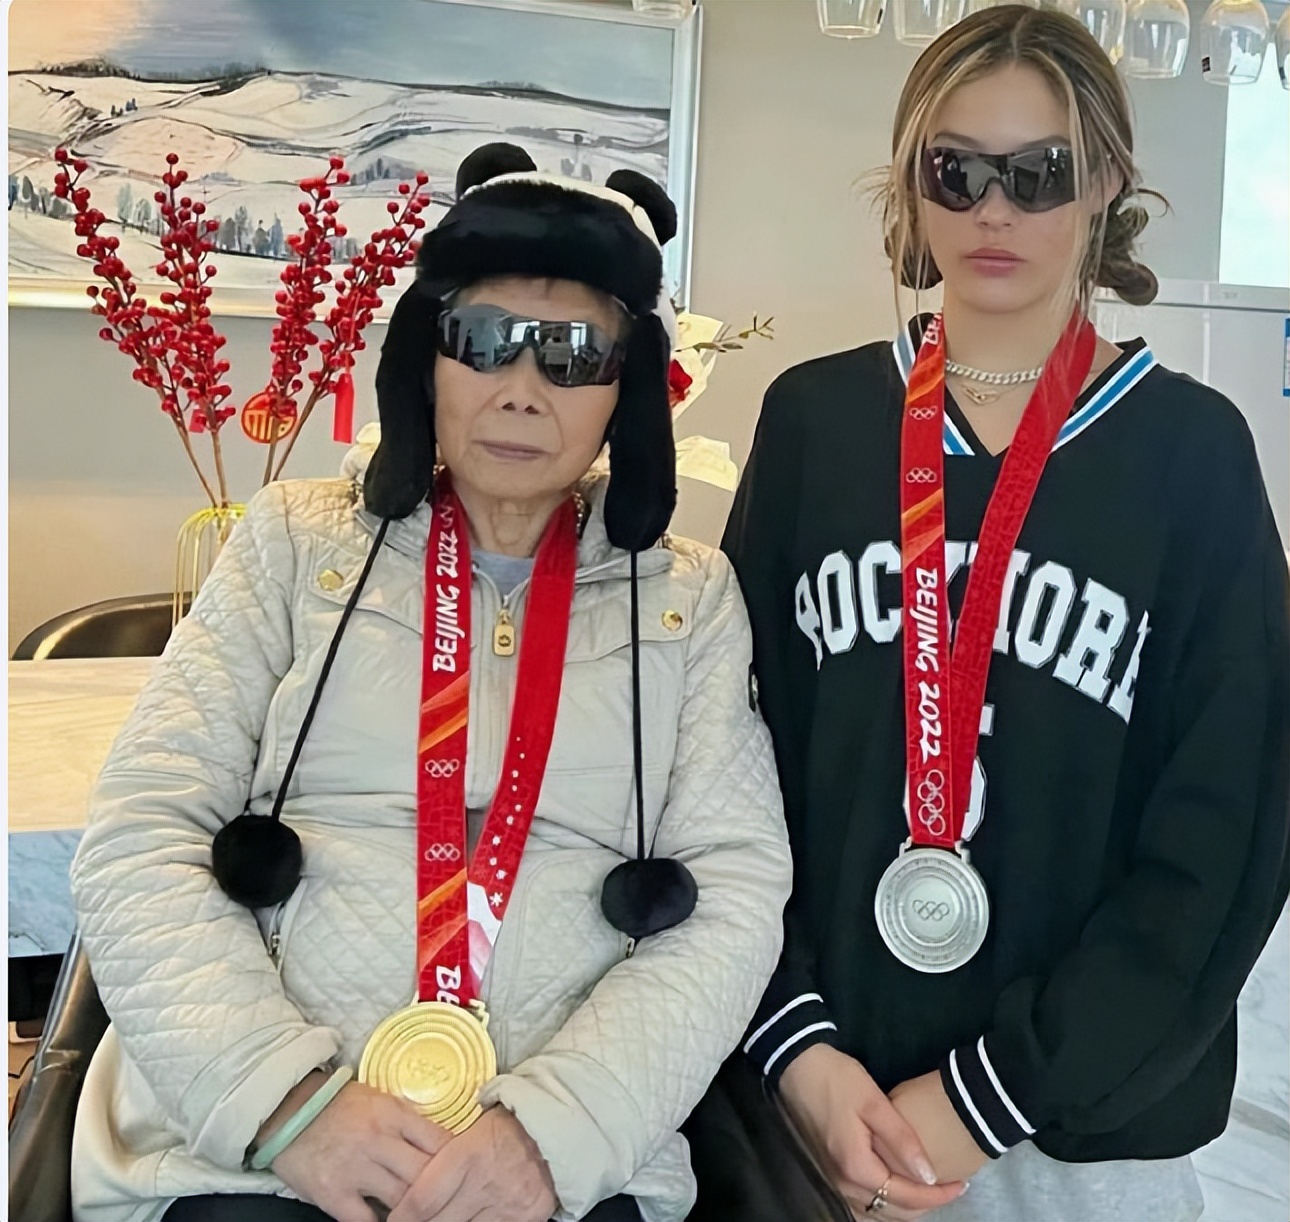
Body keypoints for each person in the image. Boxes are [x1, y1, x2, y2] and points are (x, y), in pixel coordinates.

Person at [69, 143, 792, 1222]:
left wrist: (558, 1134)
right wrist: (284, 1104)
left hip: (560, 1170)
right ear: (428, 360)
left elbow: (729, 899)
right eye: (486, 341)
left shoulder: (691, 598)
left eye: (571, 355)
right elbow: (142, 833)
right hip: (248, 1158)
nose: (522, 391)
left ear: (626, 392)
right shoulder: (291, 544)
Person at [715, 9, 1289, 1222]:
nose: (995, 209)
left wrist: (986, 1098)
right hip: (819, 1112)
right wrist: (795, 1044)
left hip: (1080, 1138)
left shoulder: (1193, 454)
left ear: (1106, 184)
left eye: (1041, 173)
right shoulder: (816, 423)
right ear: (912, 185)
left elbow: (1226, 833)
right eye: (957, 170)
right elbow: (724, 760)